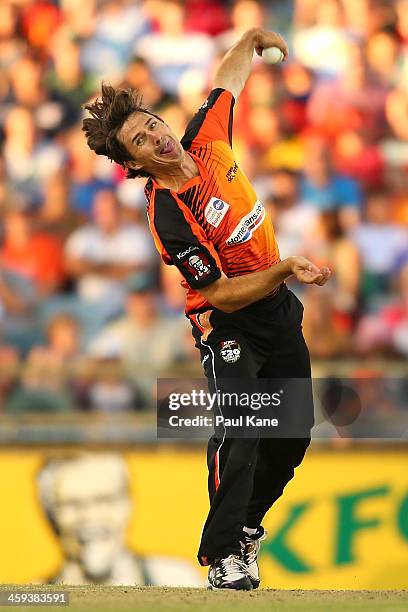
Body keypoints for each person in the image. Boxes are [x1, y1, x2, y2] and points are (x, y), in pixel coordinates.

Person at [82, 28, 331, 591]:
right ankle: (222, 558)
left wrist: (249, 39)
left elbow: (228, 80)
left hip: (276, 312)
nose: (158, 139)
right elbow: (220, 294)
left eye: (154, 126)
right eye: (143, 143)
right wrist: (288, 266)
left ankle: (245, 529)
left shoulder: (207, 140)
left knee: (293, 436)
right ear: (135, 165)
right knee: (241, 427)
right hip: (227, 326)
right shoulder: (169, 216)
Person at [37, 453, 202, 586]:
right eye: (73, 504)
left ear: (128, 505)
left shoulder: (178, 580)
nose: (90, 515)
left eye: (104, 500)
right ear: (50, 515)